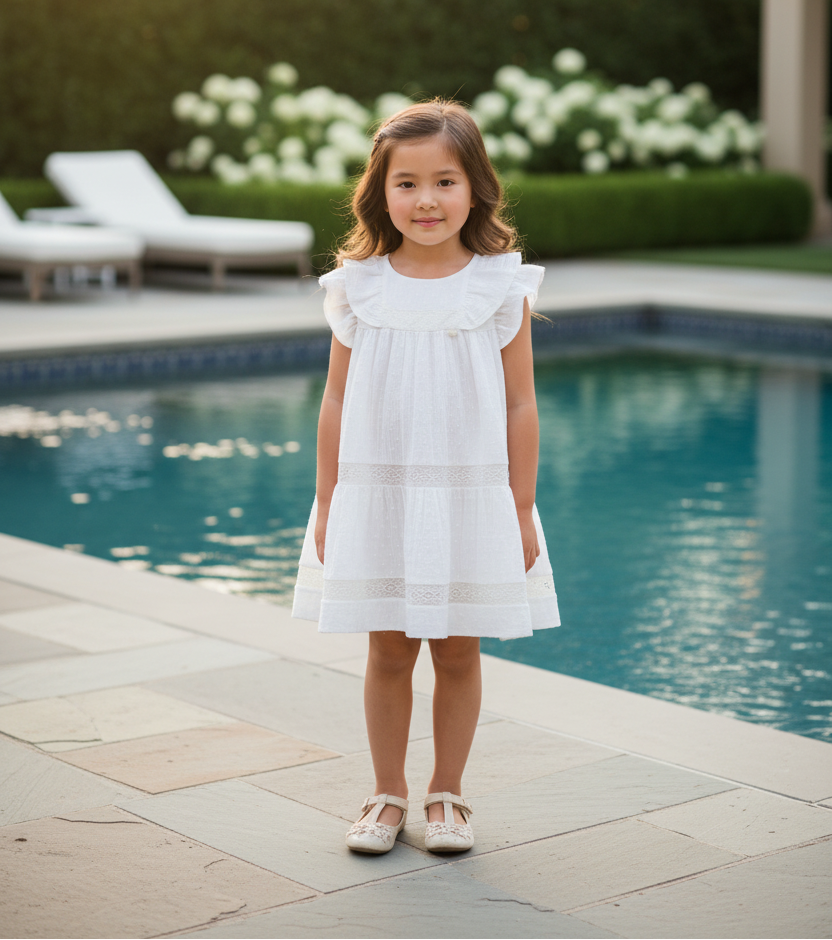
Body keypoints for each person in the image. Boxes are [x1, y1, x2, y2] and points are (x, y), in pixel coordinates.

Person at [292, 99, 560, 854]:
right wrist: (326, 500)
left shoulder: (501, 287)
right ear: (381, 192)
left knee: (457, 649)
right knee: (387, 649)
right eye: (406, 183)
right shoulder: (358, 286)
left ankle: (448, 794)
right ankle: (387, 794)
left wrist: (520, 508)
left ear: (475, 186)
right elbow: (336, 398)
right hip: (382, 496)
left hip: (470, 496)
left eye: (444, 180)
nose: (427, 200)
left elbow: (520, 403)